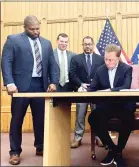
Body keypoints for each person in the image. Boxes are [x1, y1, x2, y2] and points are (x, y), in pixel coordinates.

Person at [1, 15, 58, 165]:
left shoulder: (46, 43)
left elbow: (52, 64)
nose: (36, 32)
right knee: (17, 120)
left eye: (38, 29)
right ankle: (14, 152)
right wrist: (9, 83)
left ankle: (40, 147)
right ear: (25, 27)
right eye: (32, 29)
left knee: (40, 120)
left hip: (40, 86)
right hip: (20, 87)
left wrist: (53, 82)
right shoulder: (13, 40)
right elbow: (6, 61)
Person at [87, 43, 136, 166]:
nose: (108, 62)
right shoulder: (100, 70)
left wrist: (109, 90)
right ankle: (114, 149)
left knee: (129, 118)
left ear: (118, 58)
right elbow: (92, 88)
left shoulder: (127, 69)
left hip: (123, 104)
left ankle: (117, 151)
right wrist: (84, 89)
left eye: (111, 60)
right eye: (106, 59)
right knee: (93, 118)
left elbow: (126, 86)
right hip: (107, 105)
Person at [69, 36, 105, 148]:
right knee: (80, 115)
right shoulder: (76, 58)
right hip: (82, 90)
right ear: (82, 45)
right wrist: (81, 84)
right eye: (85, 44)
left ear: (93, 45)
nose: (87, 46)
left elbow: (103, 74)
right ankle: (77, 138)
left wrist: (95, 85)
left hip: (96, 91)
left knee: (98, 115)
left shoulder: (100, 59)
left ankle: (100, 137)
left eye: (89, 44)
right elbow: (72, 74)